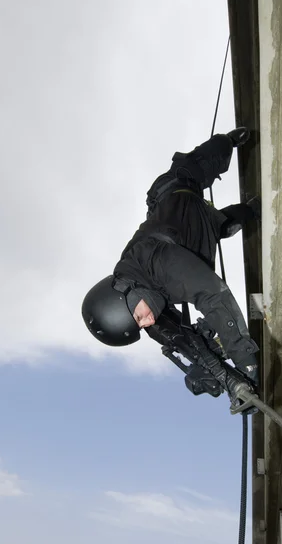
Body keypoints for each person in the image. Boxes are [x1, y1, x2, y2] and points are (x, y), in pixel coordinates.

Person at [82, 128, 260, 385]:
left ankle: (227, 141)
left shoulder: (152, 261)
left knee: (201, 163)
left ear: (126, 297)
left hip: (174, 191)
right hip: (198, 233)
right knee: (223, 225)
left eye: (140, 319)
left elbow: (211, 293)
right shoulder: (143, 302)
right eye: (141, 326)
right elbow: (173, 335)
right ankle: (254, 209)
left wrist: (246, 363)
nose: (147, 323)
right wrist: (210, 369)